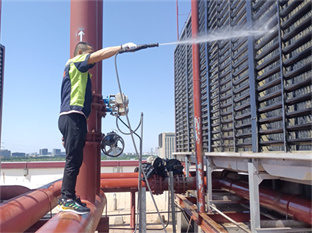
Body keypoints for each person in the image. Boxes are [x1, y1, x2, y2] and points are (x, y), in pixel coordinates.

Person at [58, 41, 137, 214]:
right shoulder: (75, 62)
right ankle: (66, 199)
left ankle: (69, 196)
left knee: (75, 159)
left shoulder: (78, 71)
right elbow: (100, 55)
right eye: (89, 54)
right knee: (74, 160)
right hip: (73, 116)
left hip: (72, 118)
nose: (92, 58)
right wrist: (121, 48)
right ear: (80, 52)